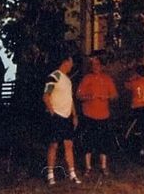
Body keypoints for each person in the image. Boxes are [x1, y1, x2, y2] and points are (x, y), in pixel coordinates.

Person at [76, 55, 118, 178]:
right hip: (89, 115)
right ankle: (88, 167)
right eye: (93, 65)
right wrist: (89, 97)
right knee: (88, 141)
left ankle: (103, 166)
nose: (95, 67)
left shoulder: (107, 79)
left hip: (103, 115)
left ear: (102, 66)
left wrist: (107, 97)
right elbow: (78, 95)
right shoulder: (87, 78)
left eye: (98, 65)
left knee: (103, 142)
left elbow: (115, 95)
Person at [42, 53, 79, 185]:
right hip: (57, 115)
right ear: (66, 62)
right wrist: (52, 111)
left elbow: (70, 99)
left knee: (68, 144)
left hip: (67, 116)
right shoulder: (54, 76)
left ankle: (72, 174)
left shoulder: (68, 80)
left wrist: (74, 115)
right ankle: (50, 174)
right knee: (54, 144)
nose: (72, 65)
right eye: (71, 62)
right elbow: (46, 95)